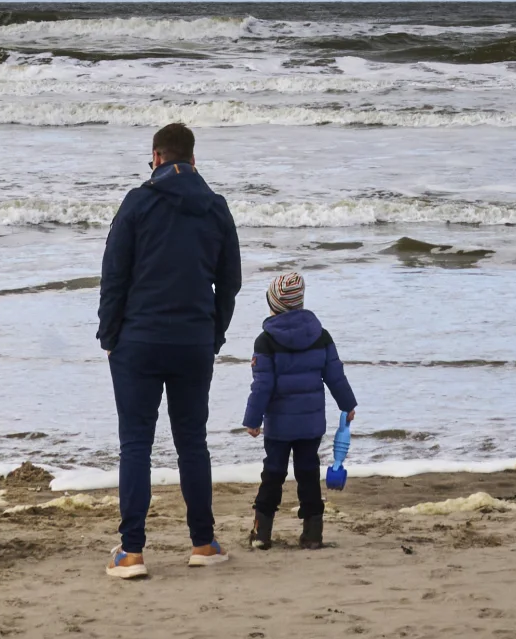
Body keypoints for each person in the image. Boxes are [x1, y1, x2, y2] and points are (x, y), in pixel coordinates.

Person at [95, 118, 244, 580]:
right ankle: (203, 542)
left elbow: (114, 274)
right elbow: (231, 281)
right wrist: (213, 333)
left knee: (136, 442)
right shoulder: (215, 207)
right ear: (194, 160)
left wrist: (109, 335)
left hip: (138, 341)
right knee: (191, 442)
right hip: (193, 341)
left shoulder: (138, 202)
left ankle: (132, 552)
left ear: (156, 157)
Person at [238, 268, 356, 551]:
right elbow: (335, 375)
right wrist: (347, 404)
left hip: (279, 426)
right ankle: (313, 535)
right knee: (308, 473)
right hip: (311, 424)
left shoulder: (265, 341)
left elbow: (262, 386)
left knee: (273, 473)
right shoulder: (321, 335)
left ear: (274, 304)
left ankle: (262, 533)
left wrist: (252, 419)